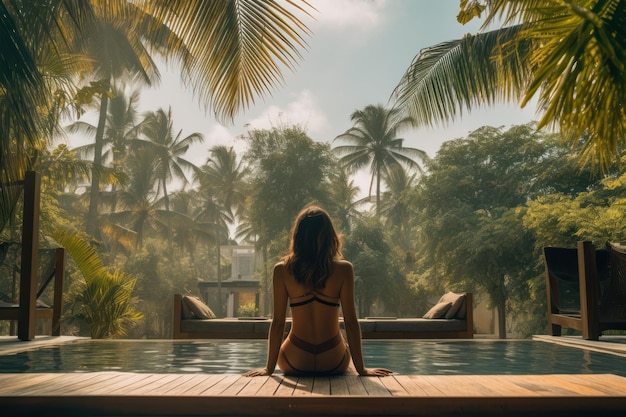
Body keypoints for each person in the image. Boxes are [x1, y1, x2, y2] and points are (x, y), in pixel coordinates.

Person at [244, 206, 392, 377]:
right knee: (342, 336)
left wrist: (268, 369)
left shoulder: (282, 271)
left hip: (295, 360)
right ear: (330, 236)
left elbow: (278, 323)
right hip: (333, 361)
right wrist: (362, 370)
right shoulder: (344, 270)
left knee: (287, 335)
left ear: (298, 236)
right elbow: (351, 322)